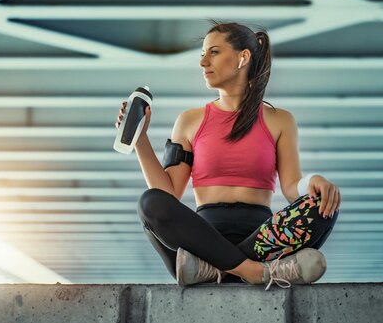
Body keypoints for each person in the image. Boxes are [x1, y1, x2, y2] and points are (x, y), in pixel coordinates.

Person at [115, 21, 341, 290]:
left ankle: (213, 270)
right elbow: (168, 192)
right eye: (202, 54)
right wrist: (140, 139)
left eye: (213, 52)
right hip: (201, 238)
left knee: (325, 204)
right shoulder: (189, 121)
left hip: (262, 237)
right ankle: (256, 272)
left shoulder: (281, 120)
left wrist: (313, 182)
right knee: (150, 202)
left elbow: (293, 188)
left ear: (242, 57)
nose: (202, 62)